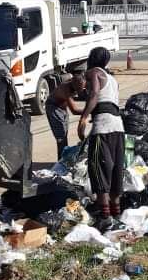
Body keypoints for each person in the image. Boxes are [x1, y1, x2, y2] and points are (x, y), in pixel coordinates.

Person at [78, 46, 125, 221]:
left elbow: (96, 94)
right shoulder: (112, 79)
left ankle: (105, 218)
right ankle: (116, 214)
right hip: (118, 127)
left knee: (99, 170)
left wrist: (83, 119)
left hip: (102, 127)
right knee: (115, 171)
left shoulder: (93, 72)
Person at [45, 70, 87, 160]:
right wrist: (90, 111)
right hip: (54, 108)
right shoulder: (66, 89)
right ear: (74, 84)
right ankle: (61, 161)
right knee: (61, 137)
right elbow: (74, 110)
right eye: (79, 88)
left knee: (64, 135)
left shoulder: (75, 83)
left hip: (62, 109)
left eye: (82, 88)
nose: (80, 91)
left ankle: (64, 157)